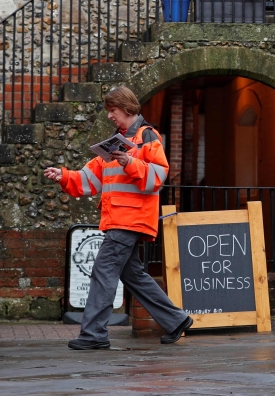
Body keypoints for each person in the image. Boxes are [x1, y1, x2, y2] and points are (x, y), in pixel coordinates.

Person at [44, 86, 193, 349]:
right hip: (122, 219)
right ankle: (176, 320)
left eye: (112, 110)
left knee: (103, 272)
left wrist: (129, 162)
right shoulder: (116, 142)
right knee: (132, 274)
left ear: (126, 108)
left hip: (128, 220)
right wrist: (63, 176)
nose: (110, 115)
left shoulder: (147, 136)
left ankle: (94, 335)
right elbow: (90, 178)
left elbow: (158, 177)